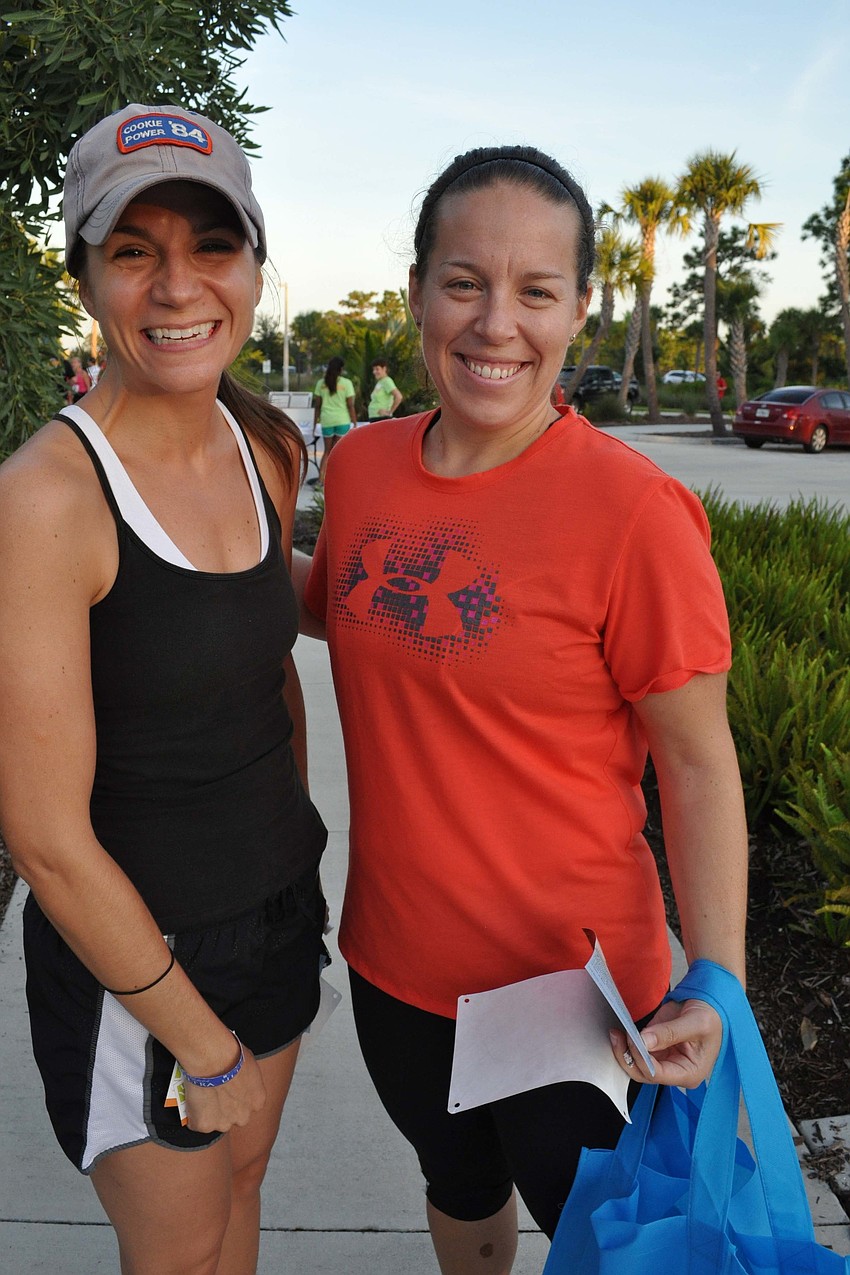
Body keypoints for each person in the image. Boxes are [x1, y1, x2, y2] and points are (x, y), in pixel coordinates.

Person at [301, 144, 748, 1272]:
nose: (495, 322)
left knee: (607, 1243)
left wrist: (719, 980)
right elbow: (333, 603)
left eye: (535, 291)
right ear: (417, 292)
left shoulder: (634, 513)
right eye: (464, 282)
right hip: (394, 967)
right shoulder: (360, 467)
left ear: (579, 310)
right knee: (455, 1185)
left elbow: (697, 764)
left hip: (572, 1004)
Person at [0, 103, 328, 1275]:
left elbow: (269, 665)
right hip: (141, 963)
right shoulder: (47, 498)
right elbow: (44, 840)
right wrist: (201, 1038)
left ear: (253, 265)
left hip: (278, 912)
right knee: (177, 1253)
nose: (179, 286)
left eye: (213, 245)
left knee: (242, 1188)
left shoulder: (265, 447)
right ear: (86, 278)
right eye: (134, 250)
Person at [313, 354, 357, 486]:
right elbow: (350, 405)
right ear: (341, 369)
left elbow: (317, 406)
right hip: (342, 421)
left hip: (326, 421)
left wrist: (315, 423)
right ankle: (338, 481)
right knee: (338, 452)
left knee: (327, 451)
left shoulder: (321, 383)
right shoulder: (346, 383)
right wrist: (354, 422)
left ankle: (321, 479)